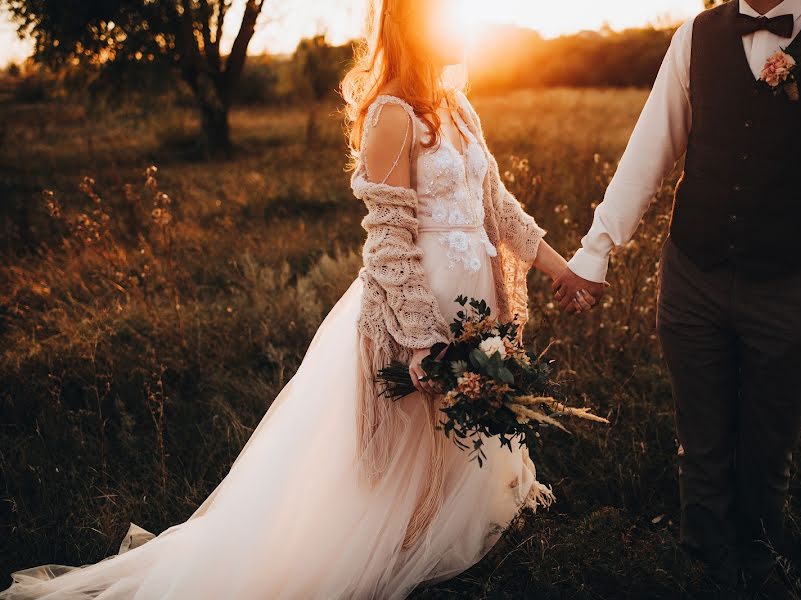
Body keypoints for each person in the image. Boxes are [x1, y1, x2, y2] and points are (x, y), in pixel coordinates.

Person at [0, 1, 596, 598]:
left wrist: (562, 269)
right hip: (416, 307)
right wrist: (420, 340)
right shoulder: (391, 114)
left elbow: (496, 207)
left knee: (457, 438)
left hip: (473, 304)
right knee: (403, 453)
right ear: (414, 26)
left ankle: (440, 542)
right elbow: (389, 244)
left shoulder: (458, 106)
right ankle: (383, 551)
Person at [553, 0, 801, 596]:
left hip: (792, 284)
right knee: (702, 447)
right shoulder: (695, 35)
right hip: (693, 275)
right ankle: (706, 571)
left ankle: (760, 572)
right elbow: (649, 146)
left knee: (767, 456)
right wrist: (596, 249)